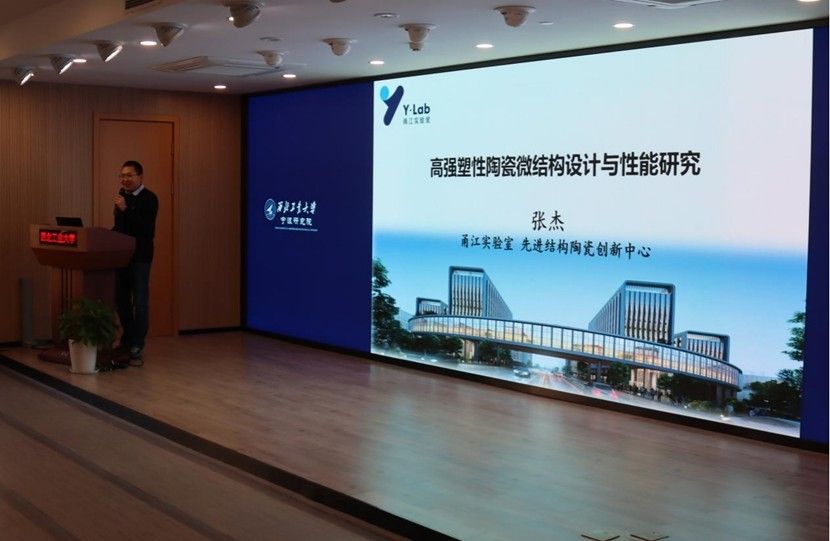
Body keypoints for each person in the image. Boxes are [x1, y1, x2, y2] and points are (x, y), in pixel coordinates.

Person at [113, 160, 158, 366]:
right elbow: (120, 228)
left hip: (140, 257)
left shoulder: (150, 198)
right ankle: (129, 339)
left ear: (140, 176)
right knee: (121, 300)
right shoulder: (122, 196)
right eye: (122, 176)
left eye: (129, 175)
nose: (125, 179)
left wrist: (125, 208)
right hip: (122, 256)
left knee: (140, 301)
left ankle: (137, 344)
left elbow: (145, 229)